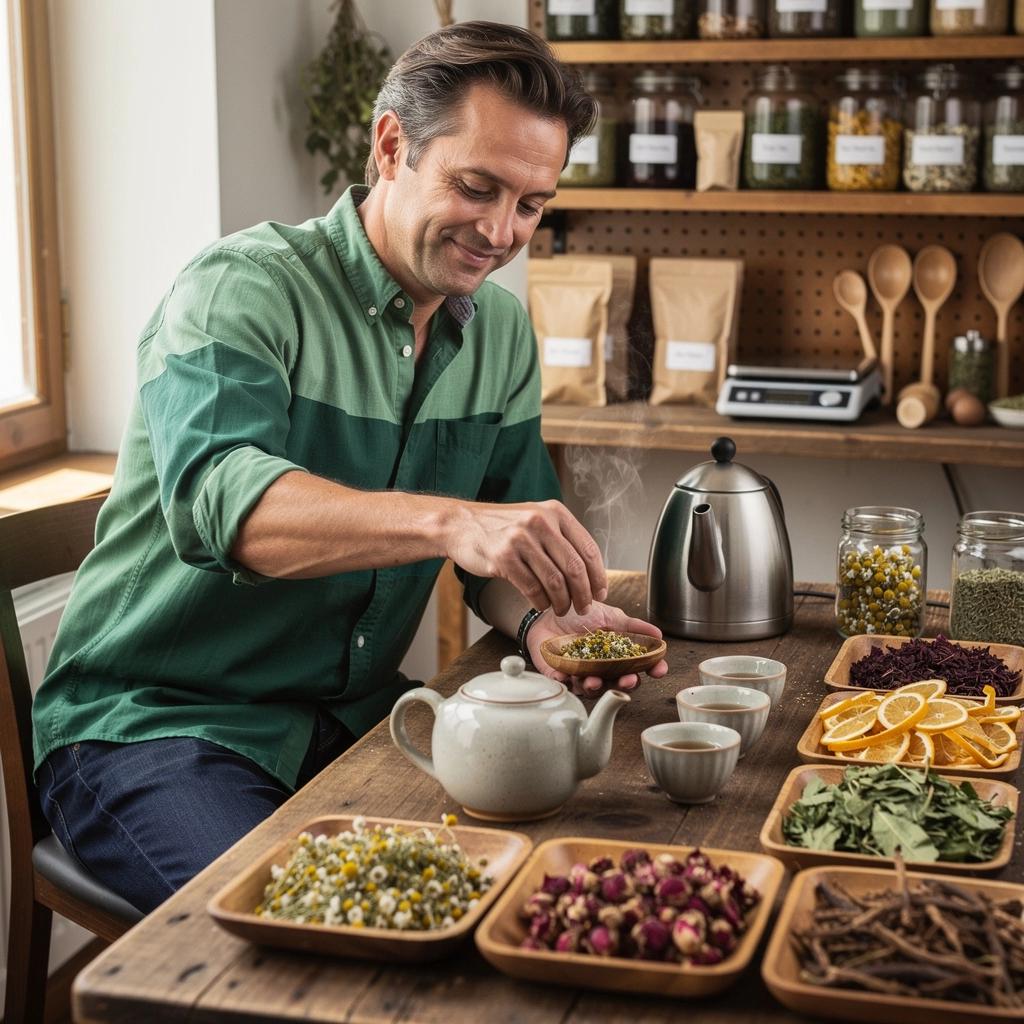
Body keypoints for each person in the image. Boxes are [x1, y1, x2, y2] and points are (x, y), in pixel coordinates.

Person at [32, 21, 667, 914]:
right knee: (302, 928)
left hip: (361, 716)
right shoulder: (240, 290)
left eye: (530, 205)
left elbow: (504, 544)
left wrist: (539, 627)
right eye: (476, 187)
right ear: (391, 145)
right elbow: (228, 509)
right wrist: (450, 521)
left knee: (547, 887)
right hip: (158, 730)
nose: (499, 232)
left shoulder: (502, 337)